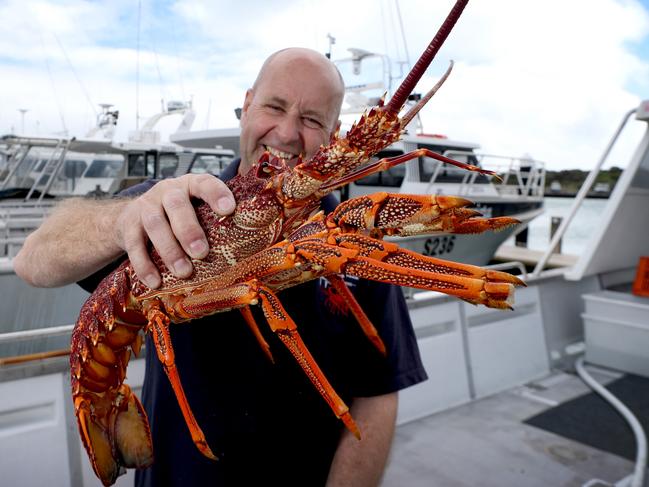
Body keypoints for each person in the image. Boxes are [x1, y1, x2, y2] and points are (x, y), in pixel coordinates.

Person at [14, 48, 427, 486]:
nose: (287, 133)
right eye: (274, 106)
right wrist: (122, 222)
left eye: (311, 119)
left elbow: (379, 390)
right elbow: (33, 260)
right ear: (247, 105)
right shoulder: (172, 206)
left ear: (334, 133)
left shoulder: (352, 239)